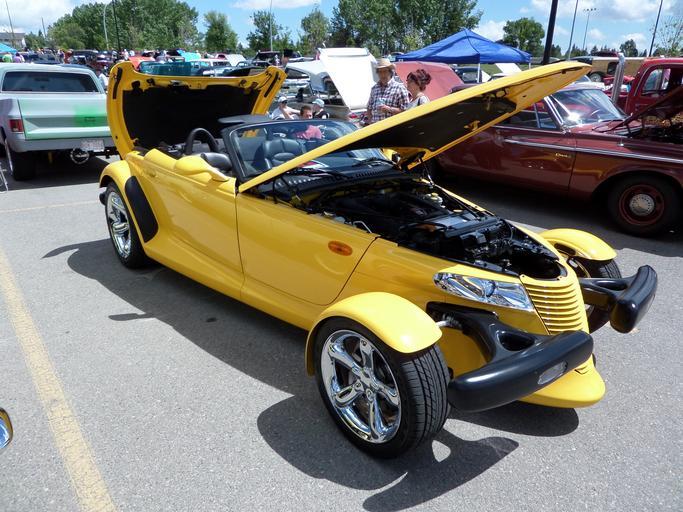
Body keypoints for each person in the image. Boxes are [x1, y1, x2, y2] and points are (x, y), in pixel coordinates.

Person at [365, 58, 409, 124]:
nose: (382, 74)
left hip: (393, 127)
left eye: (385, 71)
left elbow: (406, 111)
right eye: (380, 72)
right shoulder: (374, 89)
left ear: (390, 72)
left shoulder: (399, 88)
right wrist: (370, 122)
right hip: (377, 128)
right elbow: (369, 108)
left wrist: (389, 109)